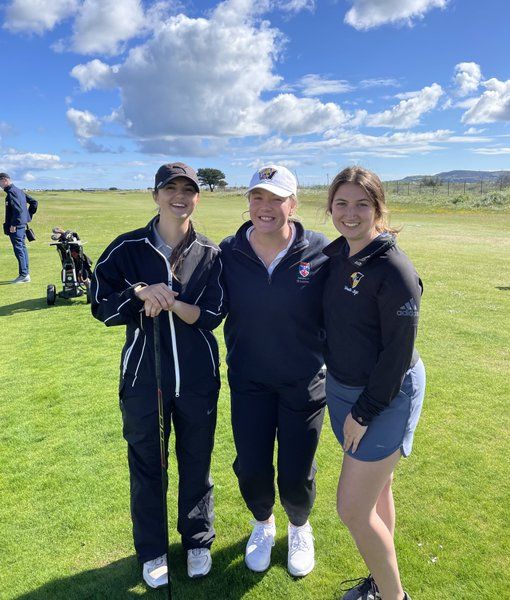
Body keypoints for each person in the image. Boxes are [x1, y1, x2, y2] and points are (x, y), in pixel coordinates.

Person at [91, 163, 224, 587]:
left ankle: (197, 540)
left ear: (197, 197)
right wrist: (138, 293)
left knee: (196, 462)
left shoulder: (211, 252)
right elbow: (99, 303)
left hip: (198, 379)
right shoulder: (126, 248)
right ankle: (152, 551)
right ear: (155, 195)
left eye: (188, 189)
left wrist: (173, 303)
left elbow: (216, 313)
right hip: (143, 380)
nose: (179, 196)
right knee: (148, 465)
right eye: (171, 188)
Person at [220, 165, 329, 577]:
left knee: (296, 471)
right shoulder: (229, 251)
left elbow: (359, 280)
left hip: (303, 382)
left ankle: (300, 526)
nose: (266, 207)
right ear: (248, 202)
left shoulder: (320, 250)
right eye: (257, 198)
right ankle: (263, 524)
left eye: (276, 199)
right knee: (251, 465)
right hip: (248, 381)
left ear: (293, 204)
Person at [322, 166, 425, 600]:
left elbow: (396, 357)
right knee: (378, 490)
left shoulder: (394, 270)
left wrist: (363, 414)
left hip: (383, 397)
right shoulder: (337, 255)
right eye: (341, 203)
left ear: (378, 209)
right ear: (330, 208)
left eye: (362, 204)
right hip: (343, 388)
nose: (351, 213)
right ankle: (382, 582)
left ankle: (394, 596)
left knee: (351, 508)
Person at [1, 172, 37, 283]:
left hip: (16, 227)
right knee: (22, 248)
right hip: (20, 225)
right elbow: (34, 202)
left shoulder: (12, 192)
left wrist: (14, 224)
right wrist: (27, 217)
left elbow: (18, 210)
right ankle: (25, 273)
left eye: (0, 183)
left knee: (19, 250)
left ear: (5, 180)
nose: (0, 186)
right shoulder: (19, 191)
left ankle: (24, 274)